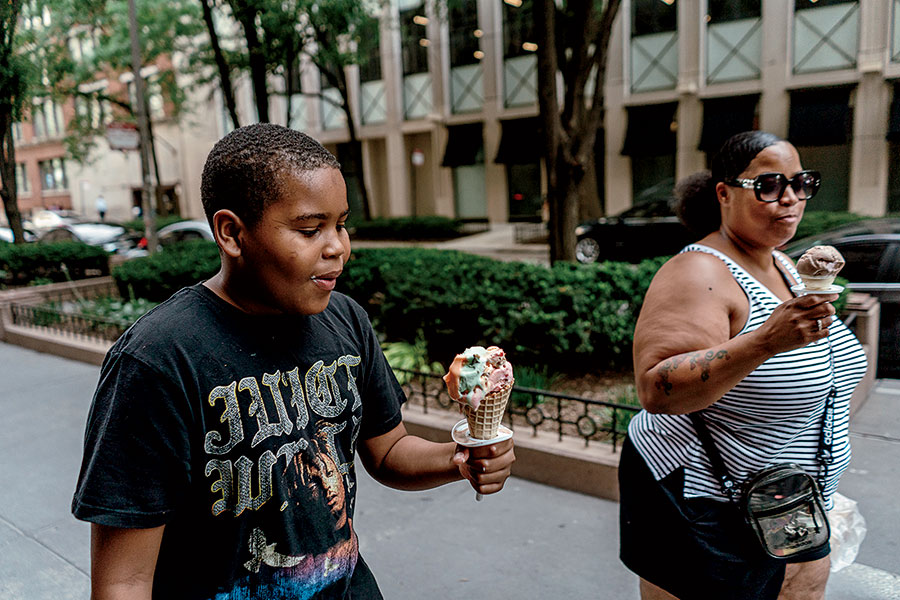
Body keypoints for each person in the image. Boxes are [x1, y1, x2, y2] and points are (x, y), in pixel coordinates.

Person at [72, 123, 516, 600]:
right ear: (231, 233)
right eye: (310, 229)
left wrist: (459, 457)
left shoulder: (346, 321)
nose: (338, 247)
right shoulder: (157, 361)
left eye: (341, 224)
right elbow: (124, 581)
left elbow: (387, 452)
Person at [619, 131, 867, 600]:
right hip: (703, 500)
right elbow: (656, 389)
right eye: (770, 185)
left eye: (801, 183)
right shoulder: (699, 272)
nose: (790, 198)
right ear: (724, 193)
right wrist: (764, 342)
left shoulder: (784, 265)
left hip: (789, 499)